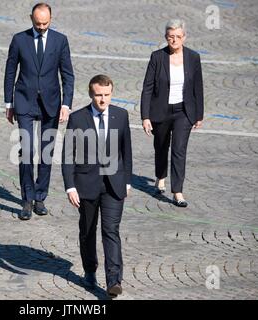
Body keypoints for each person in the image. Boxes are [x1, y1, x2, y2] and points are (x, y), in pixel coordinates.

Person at [62, 75, 132, 298]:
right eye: (99, 95)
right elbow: (67, 155)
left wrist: (127, 180)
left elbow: (126, 151)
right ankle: (90, 270)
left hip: (114, 185)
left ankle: (114, 280)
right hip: (86, 185)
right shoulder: (78, 118)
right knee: (88, 230)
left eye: (107, 95)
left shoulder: (121, 115)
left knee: (111, 230)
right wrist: (70, 186)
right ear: (91, 94)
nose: (103, 100)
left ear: (112, 93)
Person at [4, 2, 74, 220]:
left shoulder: (60, 41)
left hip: (51, 104)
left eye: (45, 23)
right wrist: (9, 104)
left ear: (51, 19)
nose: (42, 27)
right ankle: (26, 199)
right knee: (26, 150)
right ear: (31, 19)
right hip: (24, 102)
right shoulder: (19, 40)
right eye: (37, 23)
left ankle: (40, 197)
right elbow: (10, 72)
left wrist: (66, 104)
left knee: (46, 152)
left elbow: (67, 75)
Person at [140, 19, 204, 207]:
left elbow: (198, 87)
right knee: (161, 146)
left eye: (178, 37)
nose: (174, 40)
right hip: (160, 111)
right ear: (165, 37)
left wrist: (199, 114)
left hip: (184, 111)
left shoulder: (193, 57)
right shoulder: (157, 57)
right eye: (170, 37)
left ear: (184, 37)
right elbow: (147, 88)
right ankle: (160, 176)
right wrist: (145, 116)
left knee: (179, 150)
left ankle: (177, 192)